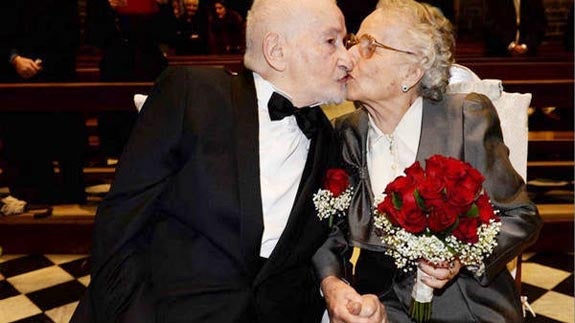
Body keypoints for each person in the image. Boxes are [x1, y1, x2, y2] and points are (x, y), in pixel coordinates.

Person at [70, 0, 357, 321]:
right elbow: (119, 224)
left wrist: (333, 284)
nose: (347, 58)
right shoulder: (195, 94)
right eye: (332, 41)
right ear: (276, 50)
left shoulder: (328, 138)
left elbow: (315, 244)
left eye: (346, 42)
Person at [314, 0, 542, 322]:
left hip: (467, 307)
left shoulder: (465, 118)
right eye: (354, 42)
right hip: (379, 306)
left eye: (370, 47)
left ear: (412, 70)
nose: (349, 55)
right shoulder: (348, 132)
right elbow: (328, 231)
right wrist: (333, 284)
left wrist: (461, 256)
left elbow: (522, 216)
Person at [0, 0, 88, 204]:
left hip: (57, 73)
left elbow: (70, 34)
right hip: (15, 78)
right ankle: (31, 195)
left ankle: (69, 197)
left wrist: (43, 63)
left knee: (66, 143)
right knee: (24, 145)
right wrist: (14, 59)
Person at [483, 0, 547, 56]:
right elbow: (490, 24)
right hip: (499, 54)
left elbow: (540, 24)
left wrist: (526, 46)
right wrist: (511, 45)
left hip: (529, 55)